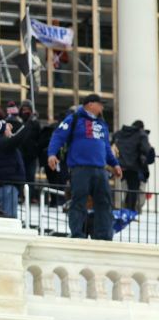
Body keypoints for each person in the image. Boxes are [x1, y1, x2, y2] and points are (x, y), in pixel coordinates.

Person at [47, 94, 122, 240]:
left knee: (104, 203)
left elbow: (106, 147)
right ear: (90, 104)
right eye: (100, 104)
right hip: (80, 168)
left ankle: (104, 235)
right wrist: (52, 154)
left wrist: (115, 164)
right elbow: (58, 136)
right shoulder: (74, 119)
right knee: (78, 201)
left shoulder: (102, 125)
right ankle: (77, 234)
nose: (102, 107)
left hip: (100, 170)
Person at [0, 117, 29, 219]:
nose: (10, 131)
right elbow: (18, 138)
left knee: (7, 217)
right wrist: (30, 123)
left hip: (5, 186)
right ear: (3, 131)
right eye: (8, 129)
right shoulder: (2, 143)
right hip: (7, 187)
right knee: (9, 218)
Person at [113, 120, 153, 212]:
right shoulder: (141, 135)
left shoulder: (121, 134)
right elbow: (147, 153)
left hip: (122, 167)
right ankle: (131, 212)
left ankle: (127, 212)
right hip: (137, 169)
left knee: (127, 192)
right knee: (135, 193)